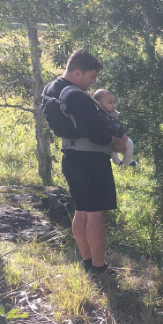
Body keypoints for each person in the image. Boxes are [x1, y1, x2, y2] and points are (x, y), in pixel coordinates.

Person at [43, 50, 128, 274]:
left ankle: (87, 261)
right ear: (78, 72)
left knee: (82, 210)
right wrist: (116, 142)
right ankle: (100, 268)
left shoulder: (51, 90)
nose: (94, 82)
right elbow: (95, 132)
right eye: (92, 76)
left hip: (70, 157)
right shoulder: (78, 96)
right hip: (91, 160)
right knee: (96, 213)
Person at [93, 89, 135, 166]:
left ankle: (117, 161)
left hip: (109, 138)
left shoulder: (103, 114)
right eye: (110, 103)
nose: (113, 105)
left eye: (114, 102)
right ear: (99, 104)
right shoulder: (104, 116)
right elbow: (114, 127)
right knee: (130, 144)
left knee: (113, 151)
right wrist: (122, 135)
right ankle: (127, 161)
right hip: (115, 137)